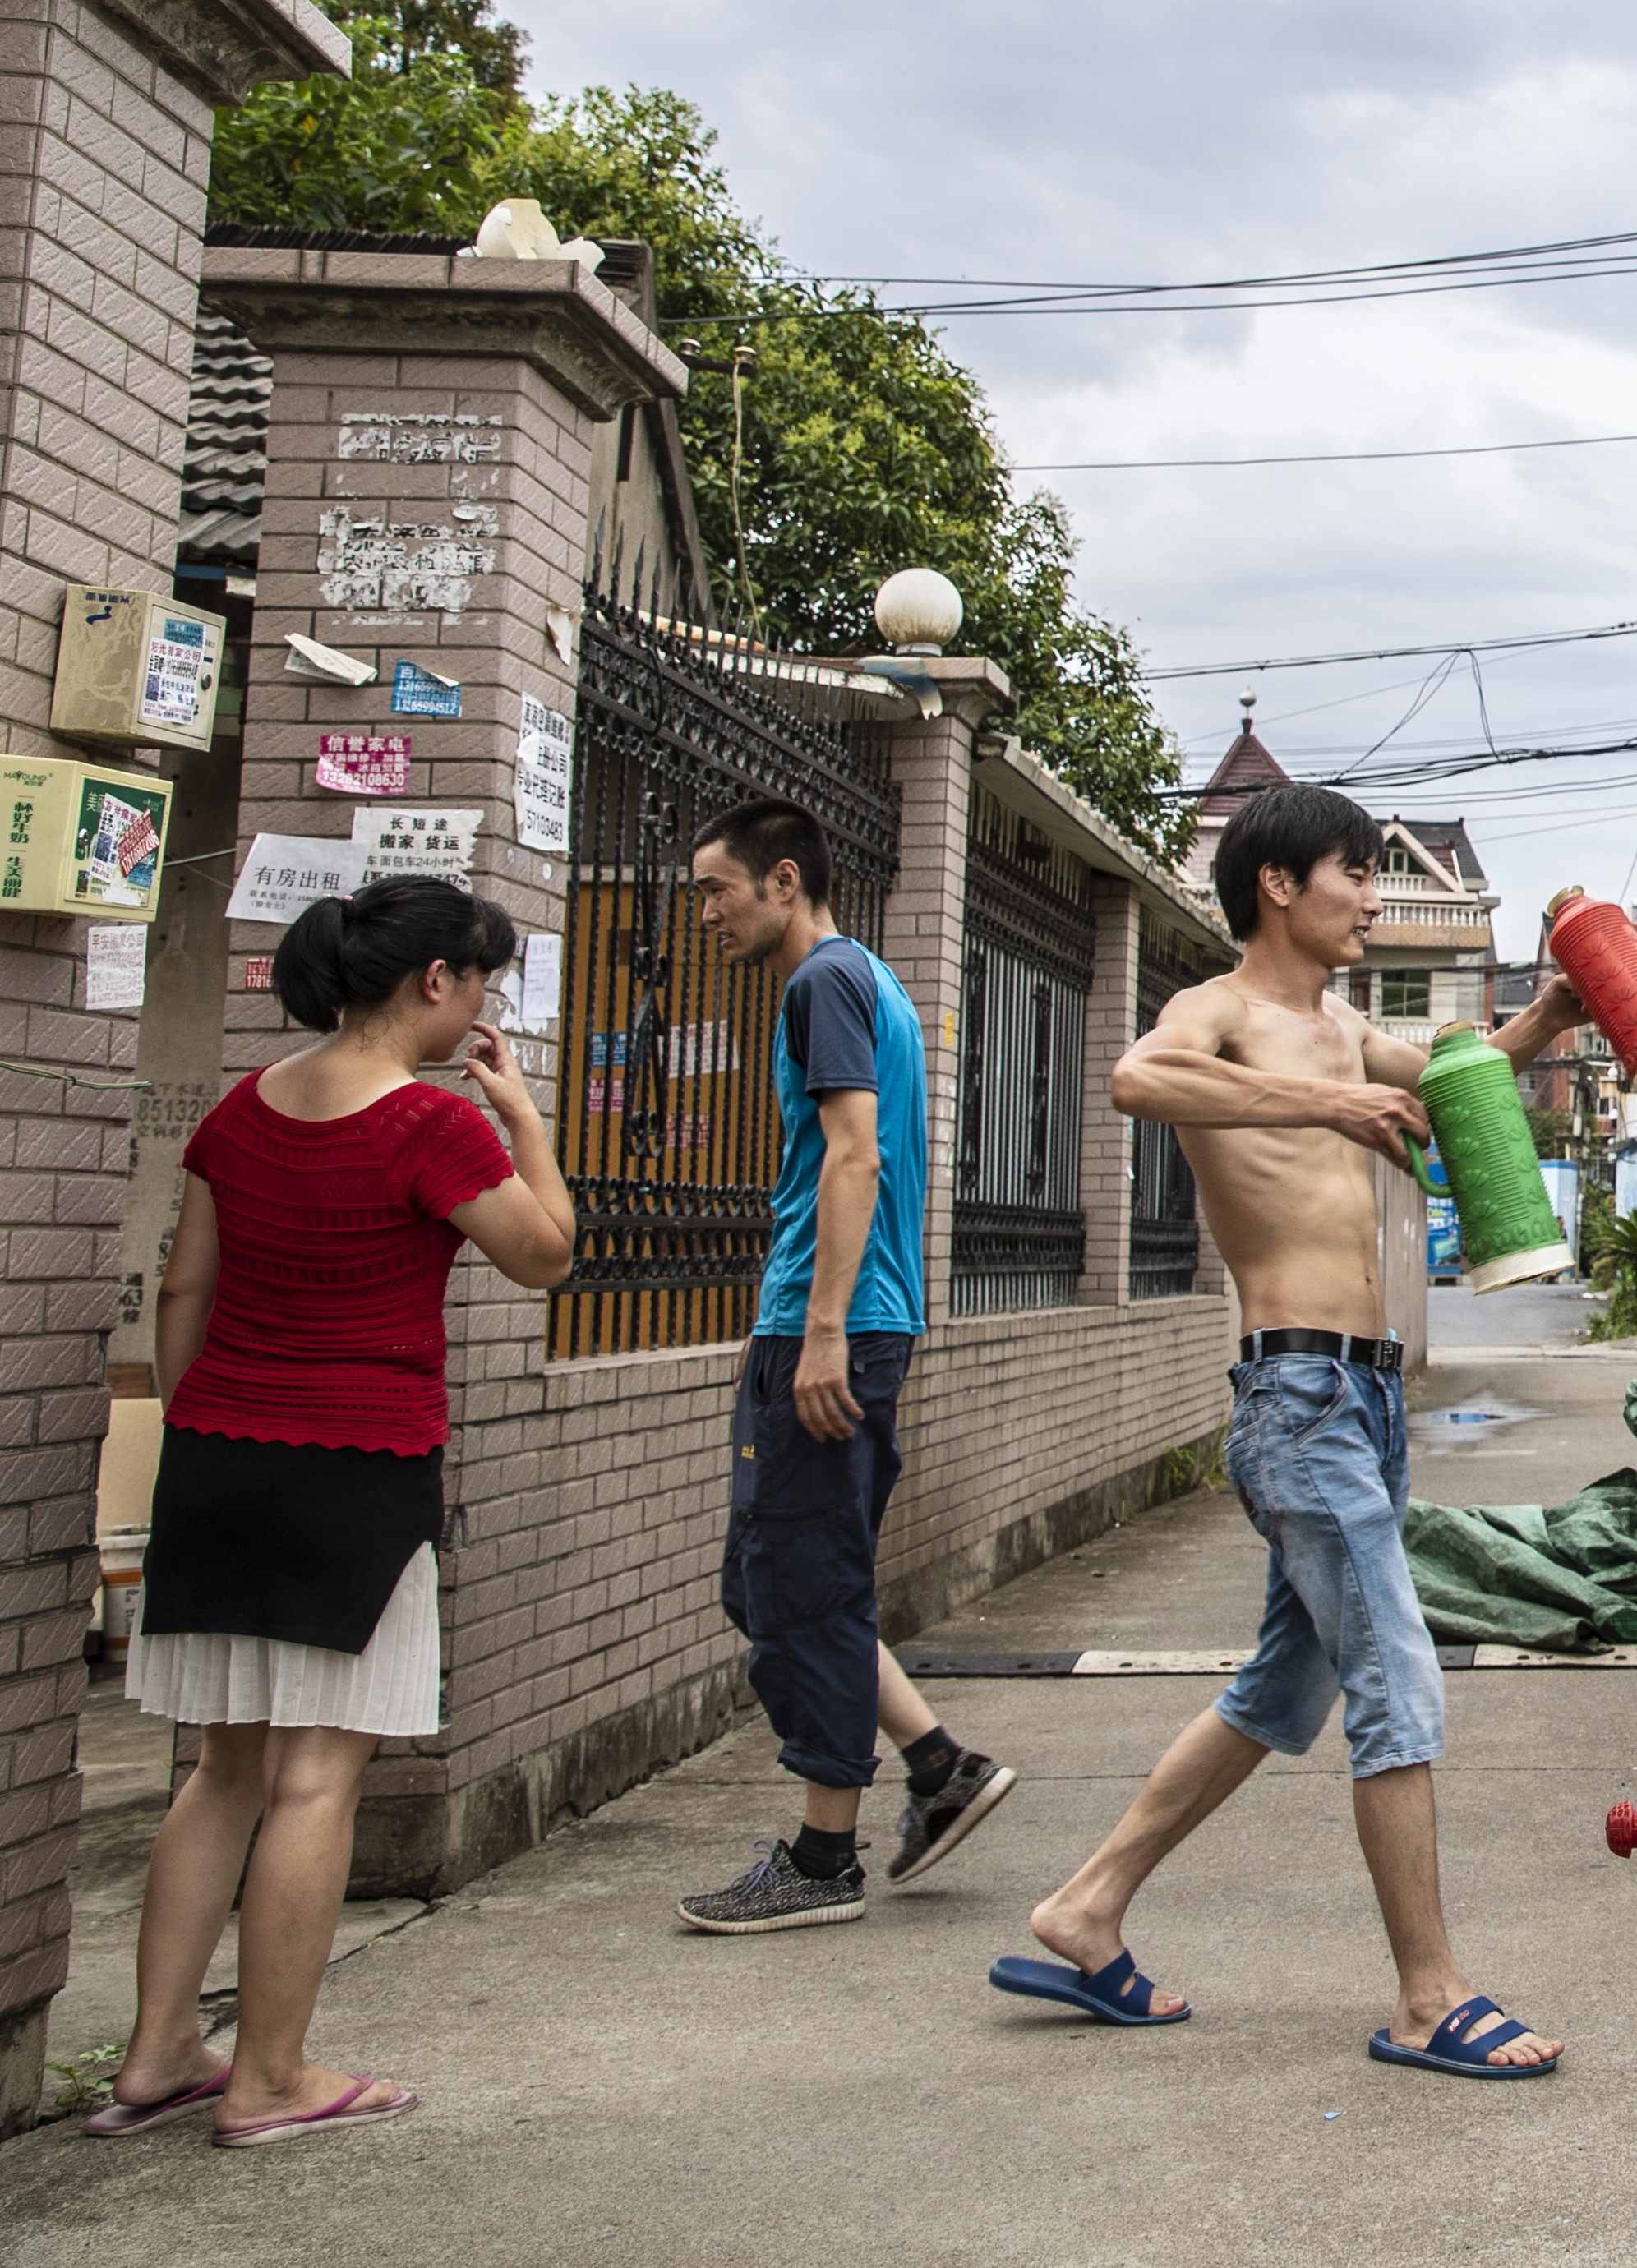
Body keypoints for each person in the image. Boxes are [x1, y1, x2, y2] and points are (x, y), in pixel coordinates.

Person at [992, 782, 1590, 2072]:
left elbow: (1455, 1075)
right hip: (1297, 1395)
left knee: (1285, 1684)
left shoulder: (1341, 1027)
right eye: (1355, 872)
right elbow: (1137, 1077)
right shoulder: (1219, 1013)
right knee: (1396, 1676)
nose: (1373, 897)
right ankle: (1429, 1996)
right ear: (1277, 884)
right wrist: (1325, 1108)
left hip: (1362, 1398)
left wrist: (1554, 1007)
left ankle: (1083, 1910)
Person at [94, 878, 574, 2146]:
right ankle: (270, 2076)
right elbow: (545, 1252)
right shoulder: (429, 1122)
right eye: (481, 983)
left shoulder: (241, 1109)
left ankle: (154, 2053)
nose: (482, 1006)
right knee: (316, 1777)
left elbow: (184, 1290)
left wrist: (207, 1424)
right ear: (436, 984)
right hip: (354, 1465)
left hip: (215, 1455)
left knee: (222, 1767)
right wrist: (523, 1117)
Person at [675, 796, 1014, 1934]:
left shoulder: (821, 980)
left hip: (836, 1323)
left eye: (716, 888)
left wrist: (820, 1329)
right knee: (764, 1577)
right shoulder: (866, 976)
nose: (706, 911)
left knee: (806, 1584)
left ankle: (823, 1856)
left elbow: (854, 1151)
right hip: (845, 1318)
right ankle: (937, 1764)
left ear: (782, 879)